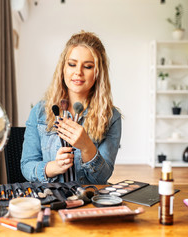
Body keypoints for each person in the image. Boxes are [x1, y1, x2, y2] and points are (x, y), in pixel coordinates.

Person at [20, 31, 121, 184]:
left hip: (88, 202)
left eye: (87, 66)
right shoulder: (39, 112)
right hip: (50, 199)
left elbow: (102, 178)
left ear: (98, 73)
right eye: (72, 64)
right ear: (63, 67)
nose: (78, 72)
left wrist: (87, 147)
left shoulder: (111, 117)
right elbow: (27, 165)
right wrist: (53, 167)